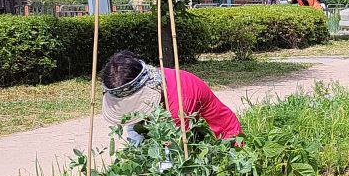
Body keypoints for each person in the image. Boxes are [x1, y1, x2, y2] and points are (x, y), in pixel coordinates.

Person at [100, 50, 242, 142]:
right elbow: (134, 122)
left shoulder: (180, 102)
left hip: (224, 131)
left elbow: (175, 148)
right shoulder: (137, 81)